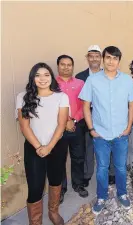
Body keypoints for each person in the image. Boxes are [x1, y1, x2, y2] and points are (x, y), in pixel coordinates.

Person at [79, 46, 133, 214]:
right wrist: (91, 129)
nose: (111, 61)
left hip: (121, 133)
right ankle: (101, 197)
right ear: (103, 59)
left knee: (120, 167)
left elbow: (132, 104)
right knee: (102, 168)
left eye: (115, 58)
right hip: (100, 134)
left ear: (119, 61)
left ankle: (123, 194)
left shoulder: (127, 80)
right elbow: (86, 106)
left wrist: (128, 127)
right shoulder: (93, 80)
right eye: (108, 57)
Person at [16, 63, 69, 225]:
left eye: (46, 74)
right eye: (38, 75)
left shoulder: (61, 97)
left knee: (55, 180)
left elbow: (61, 125)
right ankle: (35, 221)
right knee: (35, 187)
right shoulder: (22, 97)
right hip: (34, 149)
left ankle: (53, 213)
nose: (42, 78)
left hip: (56, 146)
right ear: (33, 78)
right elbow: (24, 126)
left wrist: (49, 147)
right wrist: (39, 147)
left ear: (51, 77)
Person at [75, 45, 115, 187]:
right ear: (87, 58)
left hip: (104, 116)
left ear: (101, 58)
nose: (94, 59)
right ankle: (87, 174)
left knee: (108, 144)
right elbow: (78, 101)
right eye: (91, 56)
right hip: (87, 116)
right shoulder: (80, 77)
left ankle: (111, 173)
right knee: (88, 147)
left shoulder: (109, 75)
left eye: (97, 56)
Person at [56, 55, 88, 203]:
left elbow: (84, 106)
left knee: (78, 157)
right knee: (59, 159)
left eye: (69, 65)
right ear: (58, 66)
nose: (66, 67)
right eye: (63, 64)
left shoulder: (81, 83)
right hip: (58, 128)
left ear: (73, 67)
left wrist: (73, 120)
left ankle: (78, 184)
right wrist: (65, 122)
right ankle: (60, 189)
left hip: (77, 125)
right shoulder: (52, 83)